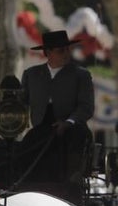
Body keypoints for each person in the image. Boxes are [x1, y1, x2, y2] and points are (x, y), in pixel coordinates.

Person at [19, 29, 95, 185]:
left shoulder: (81, 75)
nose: (66, 53)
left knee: (74, 151)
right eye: (61, 50)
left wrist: (68, 122)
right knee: (22, 152)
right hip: (41, 129)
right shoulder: (31, 74)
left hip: (73, 131)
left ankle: (73, 183)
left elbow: (86, 107)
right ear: (48, 52)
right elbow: (21, 103)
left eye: (67, 49)